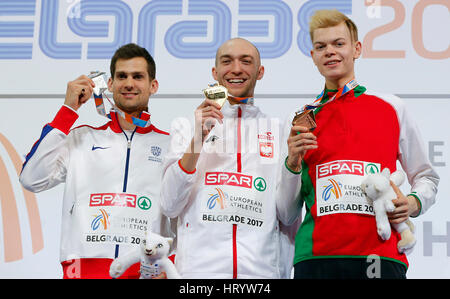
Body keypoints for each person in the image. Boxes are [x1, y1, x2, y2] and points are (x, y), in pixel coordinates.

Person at [276, 9, 439, 279]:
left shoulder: (392, 108)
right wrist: (292, 161)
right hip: (316, 259)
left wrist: (413, 202)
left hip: (381, 255)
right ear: (313, 56)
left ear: (357, 49)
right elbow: (286, 212)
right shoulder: (301, 119)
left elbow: (426, 177)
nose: (330, 51)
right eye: (321, 46)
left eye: (339, 43)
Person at [19, 43, 172, 279]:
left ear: (153, 86)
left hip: (146, 271)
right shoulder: (80, 138)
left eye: (137, 76)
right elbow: (31, 179)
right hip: (84, 271)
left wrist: (170, 264)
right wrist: (69, 109)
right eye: (122, 76)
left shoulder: (173, 146)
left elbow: (184, 218)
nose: (129, 83)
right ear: (109, 84)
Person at [160, 38, 297, 278]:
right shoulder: (186, 127)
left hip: (261, 275)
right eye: (227, 61)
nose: (236, 69)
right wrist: (198, 139)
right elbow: (170, 205)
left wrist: (294, 164)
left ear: (260, 71)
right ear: (215, 72)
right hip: (199, 274)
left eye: (246, 61)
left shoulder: (279, 130)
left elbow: (288, 214)